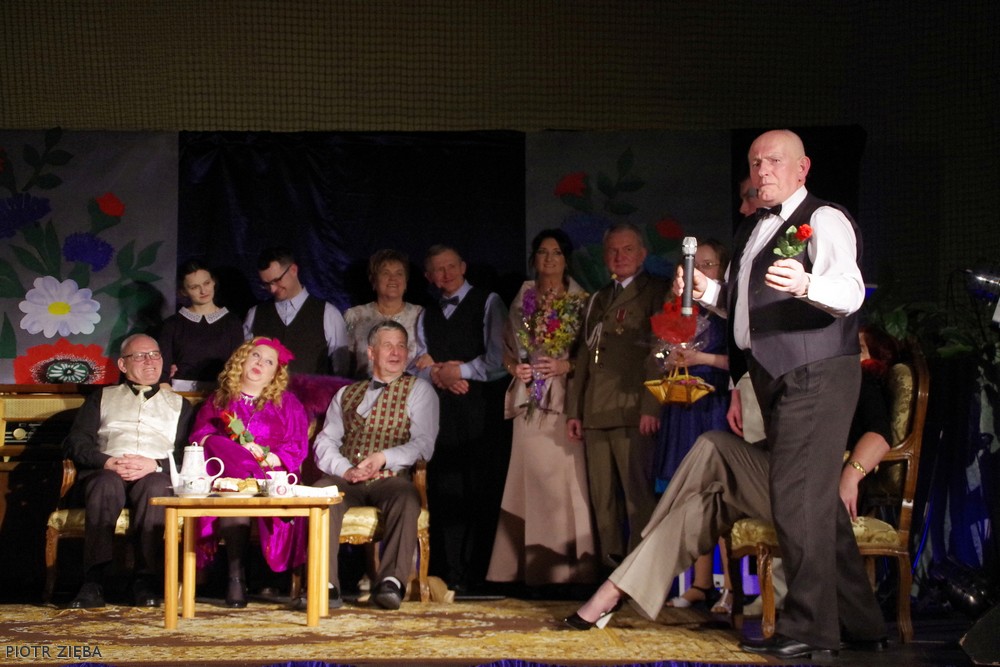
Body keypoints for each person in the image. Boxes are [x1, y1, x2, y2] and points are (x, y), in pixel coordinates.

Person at [673, 129, 885, 658]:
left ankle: (810, 628)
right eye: (755, 162)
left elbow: (850, 290)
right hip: (776, 374)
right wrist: (709, 292)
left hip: (817, 371)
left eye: (773, 160)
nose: (762, 170)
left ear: (802, 167)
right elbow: (749, 307)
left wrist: (808, 284)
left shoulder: (824, 218)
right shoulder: (752, 228)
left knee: (794, 497)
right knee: (815, 502)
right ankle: (861, 621)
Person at [565, 325, 897, 655]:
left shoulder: (857, 378)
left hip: (815, 489)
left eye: (859, 347)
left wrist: (851, 475)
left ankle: (634, 556)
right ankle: (614, 591)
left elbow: (881, 435)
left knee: (713, 445)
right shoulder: (809, 381)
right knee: (706, 505)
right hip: (786, 477)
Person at [486, 229, 599, 587]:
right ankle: (524, 571)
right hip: (528, 399)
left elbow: (593, 355)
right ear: (534, 258)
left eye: (556, 253)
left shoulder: (582, 300)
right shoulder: (523, 296)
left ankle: (569, 570)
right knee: (526, 481)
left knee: (564, 483)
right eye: (543, 252)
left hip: (565, 399)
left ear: (566, 259)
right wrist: (514, 369)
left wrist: (565, 366)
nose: (549, 259)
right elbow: (507, 350)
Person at [311, 320, 439, 609]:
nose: (396, 352)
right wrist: (345, 469)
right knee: (321, 494)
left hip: (390, 477)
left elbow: (423, 444)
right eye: (388, 346)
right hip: (349, 477)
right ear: (371, 352)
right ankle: (325, 585)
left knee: (406, 498)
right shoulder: (346, 393)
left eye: (401, 346)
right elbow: (325, 441)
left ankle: (391, 582)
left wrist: (383, 458)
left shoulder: (420, 390)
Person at [63, 334, 195, 609]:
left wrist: (155, 464)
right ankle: (93, 581)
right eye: (140, 356)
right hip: (108, 472)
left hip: (154, 472)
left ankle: (144, 580)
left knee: (157, 487)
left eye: (155, 355)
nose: (150, 361)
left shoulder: (180, 405)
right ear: (123, 365)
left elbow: (189, 453)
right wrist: (106, 461)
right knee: (105, 484)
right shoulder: (101, 397)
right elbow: (76, 442)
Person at [565, 221, 668, 568]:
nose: (619, 256)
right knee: (603, 500)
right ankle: (611, 574)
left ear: (642, 254)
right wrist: (575, 411)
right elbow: (584, 356)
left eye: (627, 249)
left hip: (633, 409)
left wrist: (652, 405)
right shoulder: (599, 297)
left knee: (637, 497)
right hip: (596, 411)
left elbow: (660, 352)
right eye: (612, 250)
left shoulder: (656, 291)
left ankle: (640, 573)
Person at [187, 337, 310, 608]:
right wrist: (235, 450)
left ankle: (252, 477)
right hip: (227, 481)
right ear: (242, 360)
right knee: (218, 449)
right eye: (255, 356)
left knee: (239, 492)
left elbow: (297, 446)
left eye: (269, 362)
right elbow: (199, 438)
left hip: (272, 478)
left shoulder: (288, 403)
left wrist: (267, 458)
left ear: (275, 373)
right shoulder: (220, 400)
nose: (260, 364)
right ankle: (235, 577)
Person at [417, 244, 507, 590]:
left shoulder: (488, 302)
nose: (447, 274)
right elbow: (419, 362)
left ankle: (479, 575)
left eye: (451, 266)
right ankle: (450, 574)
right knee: (445, 491)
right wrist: (439, 375)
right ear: (429, 277)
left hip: (482, 411)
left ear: (463, 266)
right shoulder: (426, 314)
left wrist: (461, 371)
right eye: (438, 270)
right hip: (441, 414)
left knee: (480, 491)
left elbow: (499, 361)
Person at [655, 238, 733, 611]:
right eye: (692, 265)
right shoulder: (679, 309)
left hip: (715, 405)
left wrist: (701, 358)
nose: (699, 271)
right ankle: (701, 583)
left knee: (719, 494)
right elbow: (659, 352)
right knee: (691, 496)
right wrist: (668, 357)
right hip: (683, 407)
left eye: (708, 264)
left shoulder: (727, 310)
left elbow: (741, 361)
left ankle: (732, 586)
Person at [244, 246, 350, 376]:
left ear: (293, 270)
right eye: (266, 284)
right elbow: (245, 362)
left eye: (277, 280)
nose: (272, 289)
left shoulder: (328, 313)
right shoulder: (255, 314)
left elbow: (341, 370)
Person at [158, 259, 245, 391]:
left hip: (221, 393)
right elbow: (163, 369)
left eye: (206, 283)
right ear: (184, 291)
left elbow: (238, 365)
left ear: (214, 282)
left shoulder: (232, 322)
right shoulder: (172, 324)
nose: (203, 291)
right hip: (180, 394)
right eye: (194, 287)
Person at [344, 249, 425, 378]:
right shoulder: (355, 316)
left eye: (399, 273)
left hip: (411, 388)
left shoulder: (421, 316)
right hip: (365, 388)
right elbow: (343, 366)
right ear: (373, 281)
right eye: (385, 273)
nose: (393, 278)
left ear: (406, 282)